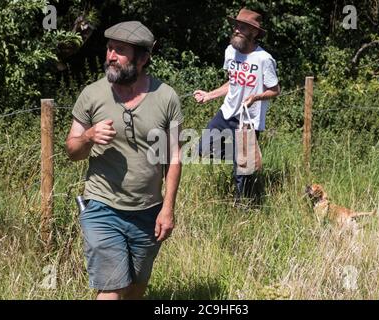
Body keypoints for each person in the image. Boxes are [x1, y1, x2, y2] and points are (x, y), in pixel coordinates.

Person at [65, 21, 183, 300]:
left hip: (147, 211)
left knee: (134, 290)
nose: (110, 56)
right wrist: (88, 137)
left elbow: (175, 157)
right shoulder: (92, 94)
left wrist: (167, 208)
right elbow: (71, 150)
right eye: (109, 49)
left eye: (119, 50)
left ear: (142, 59)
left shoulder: (166, 97)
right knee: (112, 289)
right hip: (101, 206)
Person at [194, 8, 281, 202]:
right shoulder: (230, 51)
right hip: (227, 114)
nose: (237, 30)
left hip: (248, 121)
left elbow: (275, 90)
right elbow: (233, 83)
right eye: (236, 26)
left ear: (255, 33)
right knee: (204, 149)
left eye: (243, 27)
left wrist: (255, 97)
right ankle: (241, 159)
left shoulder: (264, 59)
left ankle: (246, 207)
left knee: (243, 176)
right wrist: (209, 95)